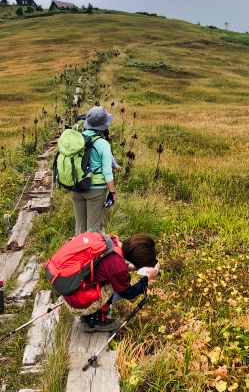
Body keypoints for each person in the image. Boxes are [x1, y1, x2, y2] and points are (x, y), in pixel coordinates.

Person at [63, 234, 160, 332]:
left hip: (70, 290)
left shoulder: (112, 241)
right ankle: (93, 319)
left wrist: (128, 267)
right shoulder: (116, 263)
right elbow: (129, 293)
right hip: (77, 304)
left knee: (120, 279)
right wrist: (146, 277)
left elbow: (104, 266)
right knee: (122, 281)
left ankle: (95, 312)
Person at [71, 106, 116, 235]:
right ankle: (91, 249)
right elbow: (107, 171)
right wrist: (112, 193)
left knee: (80, 229)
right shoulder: (103, 144)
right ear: (103, 126)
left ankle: (78, 247)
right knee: (93, 231)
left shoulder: (77, 139)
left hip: (76, 187)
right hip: (95, 190)